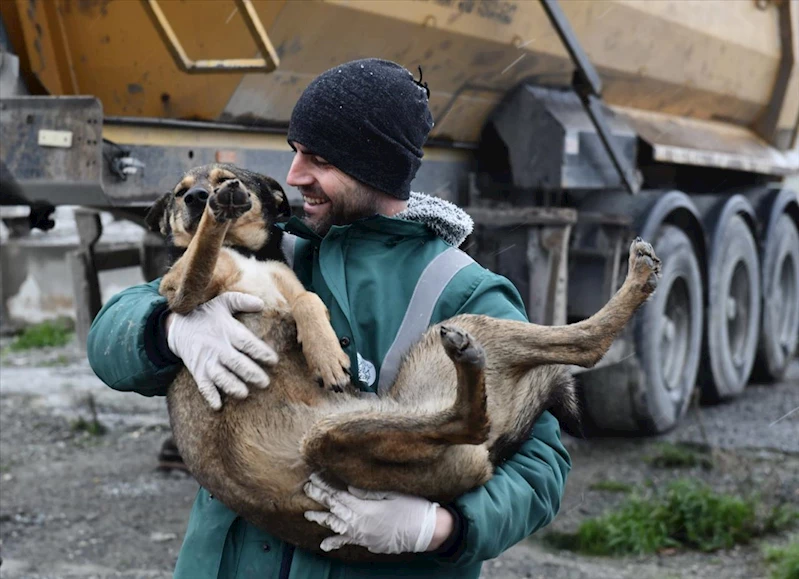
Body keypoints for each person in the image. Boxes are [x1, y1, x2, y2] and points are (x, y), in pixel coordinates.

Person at [87, 58, 571, 579]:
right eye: (295, 153)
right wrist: (167, 330)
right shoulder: (271, 248)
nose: (295, 176)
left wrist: (443, 527)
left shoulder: (462, 290)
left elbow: (541, 469)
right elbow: (107, 341)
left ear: (375, 169)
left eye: (318, 159)